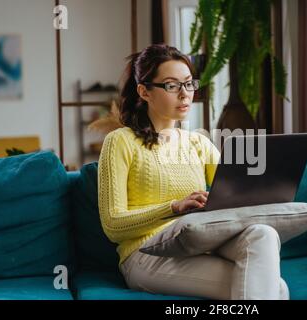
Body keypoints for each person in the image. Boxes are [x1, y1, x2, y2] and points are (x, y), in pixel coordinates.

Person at [98, 44, 288, 300]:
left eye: (189, 84)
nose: (185, 94)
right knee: (276, 288)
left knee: (263, 233)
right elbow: (113, 226)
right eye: (171, 85)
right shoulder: (120, 141)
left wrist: (265, 187)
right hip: (146, 254)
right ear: (144, 91)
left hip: (199, 243)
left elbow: (233, 196)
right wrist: (173, 207)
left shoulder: (199, 142)